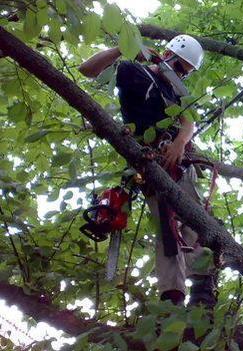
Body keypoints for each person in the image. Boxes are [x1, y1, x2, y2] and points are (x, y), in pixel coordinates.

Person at [78, 35, 216, 307]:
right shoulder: (134, 70)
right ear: (167, 55)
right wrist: (123, 47)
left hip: (180, 160)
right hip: (150, 159)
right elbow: (87, 71)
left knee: (198, 221)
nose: (180, 76)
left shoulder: (176, 93)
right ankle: (172, 296)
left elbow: (188, 123)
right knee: (167, 225)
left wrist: (179, 143)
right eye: (179, 68)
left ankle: (202, 283)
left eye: (185, 73)